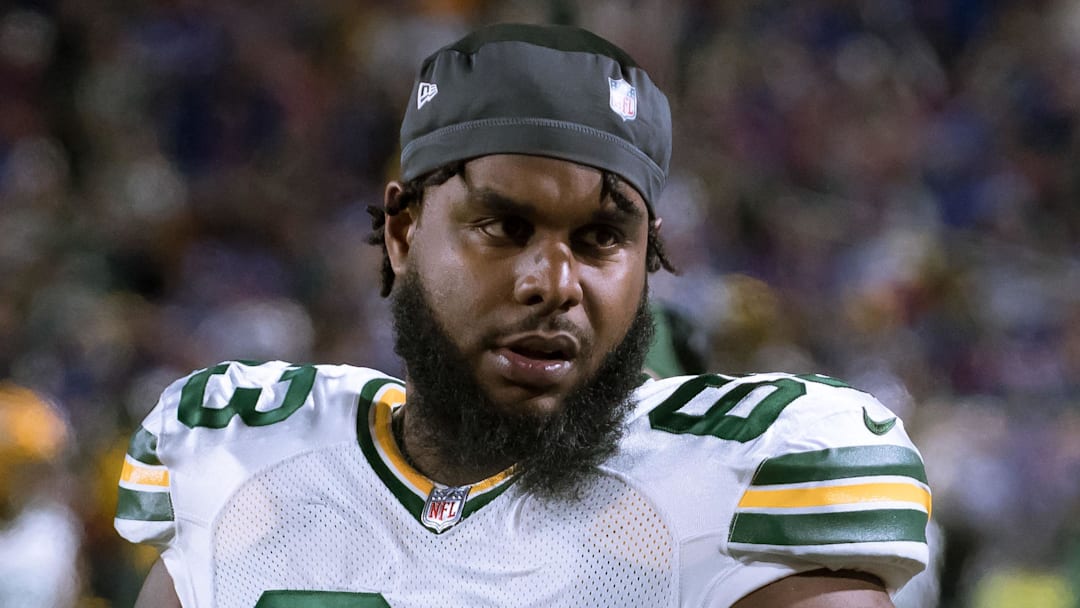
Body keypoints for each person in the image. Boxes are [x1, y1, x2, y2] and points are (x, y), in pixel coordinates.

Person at [115, 23, 932, 607]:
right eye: (504, 227)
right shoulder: (238, 455)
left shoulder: (745, 479)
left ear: (647, 258)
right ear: (403, 233)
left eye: (601, 238)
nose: (554, 282)